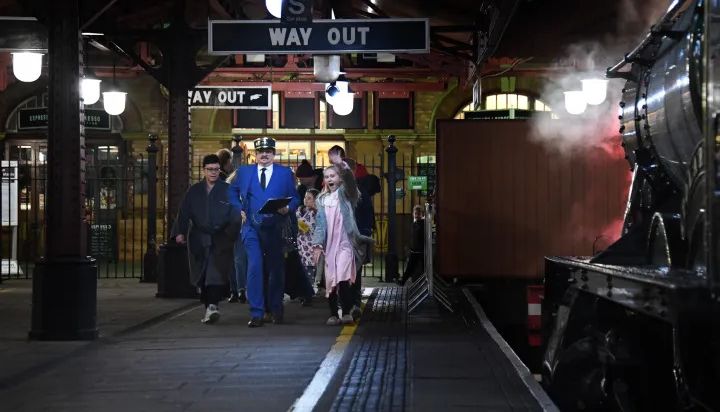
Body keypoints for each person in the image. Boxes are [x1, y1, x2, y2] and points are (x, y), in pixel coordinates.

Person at [228, 137, 300, 327]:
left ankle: (276, 309)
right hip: (251, 227)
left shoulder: (284, 173)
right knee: (254, 267)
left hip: (275, 227)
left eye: (268, 151)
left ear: (274, 154)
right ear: (256, 154)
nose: (265, 154)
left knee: (276, 270)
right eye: (261, 152)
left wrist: (288, 208)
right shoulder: (244, 172)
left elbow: (295, 197)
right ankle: (257, 313)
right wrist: (239, 208)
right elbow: (231, 192)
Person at [171, 154, 241, 324]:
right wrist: (179, 232)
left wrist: (231, 234)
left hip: (221, 238)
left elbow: (235, 214)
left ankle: (212, 306)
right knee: (201, 275)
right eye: (210, 169)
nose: (213, 173)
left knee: (214, 273)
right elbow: (184, 212)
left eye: (216, 169)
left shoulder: (227, 190)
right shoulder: (194, 191)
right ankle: (208, 306)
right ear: (204, 170)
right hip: (198, 239)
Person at [312, 148, 374, 326]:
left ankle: (346, 312)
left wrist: (341, 165)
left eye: (333, 175)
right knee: (331, 280)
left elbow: (351, 183)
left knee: (343, 277)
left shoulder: (347, 196)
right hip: (329, 246)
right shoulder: (322, 201)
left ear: (339, 178)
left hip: (346, 244)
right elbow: (320, 226)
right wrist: (317, 245)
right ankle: (333, 314)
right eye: (327, 176)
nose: (330, 179)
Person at [329, 146, 381, 321]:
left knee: (353, 273)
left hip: (353, 238)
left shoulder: (359, 192)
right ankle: (348, 305)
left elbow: (366, 214)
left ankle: (353, 305)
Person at [226, 170, 248, 304]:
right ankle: (235, 290)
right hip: (231, 230)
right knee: (233, 261)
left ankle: (240, 290)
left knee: (239, 260)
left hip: (243, 230)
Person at [296, 188, 319, 294]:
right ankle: (304, 292)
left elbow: (309, 227)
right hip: (301, 246)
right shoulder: (300, 210)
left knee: (309, 270)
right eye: (305, 197)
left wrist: (299, 223)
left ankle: (308, 292)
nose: (306, 200)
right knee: (301, 270)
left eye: (309, 198)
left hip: (310, 248)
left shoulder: (315, 213)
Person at [398, 204, 425, 285]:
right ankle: (402, 281)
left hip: (419, 250)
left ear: (422, 214)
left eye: (418, 214)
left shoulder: (421, 224)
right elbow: (412, 238)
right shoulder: (415, 223)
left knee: (411, 267)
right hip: (416, 250)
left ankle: (402, 281)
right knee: (411, 267)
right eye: (415, 213)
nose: (416, 215)